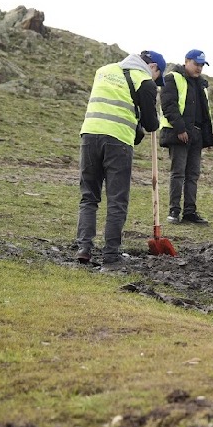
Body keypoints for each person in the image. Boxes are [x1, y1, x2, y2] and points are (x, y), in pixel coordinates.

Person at [75, 50, 164, 272]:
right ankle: (111, 256)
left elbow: (116, 104)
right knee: (116, 200)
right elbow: (151, 124)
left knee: (89, 197)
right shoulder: (144, 81)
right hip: (117, 142)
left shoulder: (103, 71)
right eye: (158, 76)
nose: (156, 81)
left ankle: (84, 248)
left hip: (89, 135)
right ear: (152, 67)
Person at [159, 49, 213, 225]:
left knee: (193, 174)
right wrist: (180, 129)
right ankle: (174, 210)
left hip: (197, 135)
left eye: (201, 65)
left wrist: (208, 137)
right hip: (179, 135)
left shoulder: (202, 85)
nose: (199, 68)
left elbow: (205, 113)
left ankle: (190, 211)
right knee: (178, 173)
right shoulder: (172, 78)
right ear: (187, 61)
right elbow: (169, 105)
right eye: (196, 64)